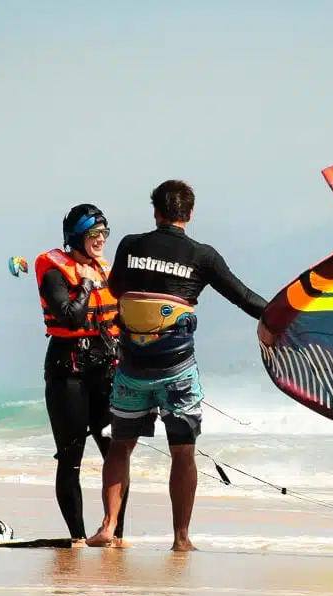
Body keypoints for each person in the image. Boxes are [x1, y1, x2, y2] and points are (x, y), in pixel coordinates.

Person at [87, 180, 267, 551]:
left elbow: (118, 289)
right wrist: (284, 316)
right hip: (176, 369)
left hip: (132, 368)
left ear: (156, 211)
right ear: (190, 213)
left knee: (121, 447)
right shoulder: (203, 255)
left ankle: (107, 527)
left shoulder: (130, 245)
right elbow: (244, 298)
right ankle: (181, 539)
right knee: (183, 451)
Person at [35, 204, 130, 547]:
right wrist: (87, 287)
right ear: (76, 237)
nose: (101, 240)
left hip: (105, 370)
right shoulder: (54, 272)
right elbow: (70, 318)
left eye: (104, 234)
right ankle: (76, 538)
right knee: (71, 457)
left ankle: (114, 533)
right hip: (67, 372)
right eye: (93, 234)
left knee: (115, 453)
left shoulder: (105, 270)